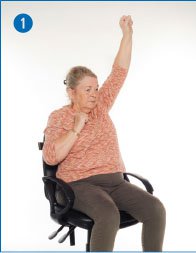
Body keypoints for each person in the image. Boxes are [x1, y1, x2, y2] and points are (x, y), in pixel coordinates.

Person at [42, 16, 166, 252]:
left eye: (96, 89)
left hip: (115, 182)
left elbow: (119, 71)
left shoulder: (100, 106)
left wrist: (127, 35)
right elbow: (51, 157)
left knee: (155, 209)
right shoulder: (59, 117)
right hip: (77, 185)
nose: (94, 94)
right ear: (71, 92)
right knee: (108, 214)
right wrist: (76, 127)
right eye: (87, 90)